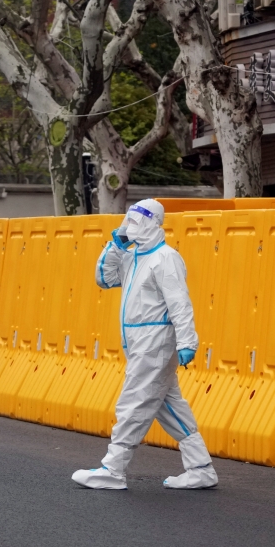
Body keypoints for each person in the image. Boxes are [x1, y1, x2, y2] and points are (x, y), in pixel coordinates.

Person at [73, 199, 218, 491]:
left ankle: (112, 469)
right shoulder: (133, 257)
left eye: (137, 222)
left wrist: (188, 340)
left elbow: (180, 303)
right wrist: (115, 246)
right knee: (169, 406)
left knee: (134, 402)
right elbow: (104, 278)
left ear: (154, 223)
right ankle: (201, 468)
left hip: (156, 342)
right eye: (129, 221)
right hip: (139, 341)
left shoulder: (166, 258)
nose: (131, 227)